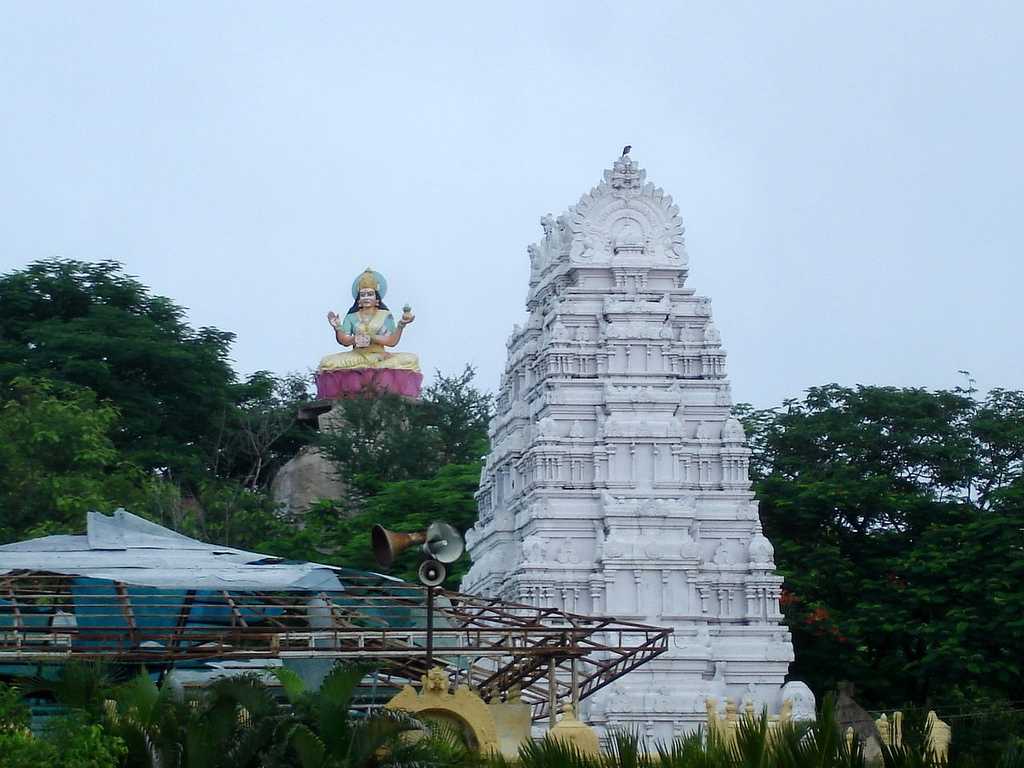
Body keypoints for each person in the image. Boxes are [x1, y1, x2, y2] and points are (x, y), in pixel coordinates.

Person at [318, 268, 420, 372]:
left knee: (411, 359)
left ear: (376, 299)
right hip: (357, 356)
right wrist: (338, 328)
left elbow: (391, 341)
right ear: (359, 300)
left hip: (380, 356)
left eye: (370, 294)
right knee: (326, 363)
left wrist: (401, 325)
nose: (366, 298)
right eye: (363, 295)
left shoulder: (385, 315)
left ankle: (375, 366)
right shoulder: (351, 317)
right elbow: (344, 340)